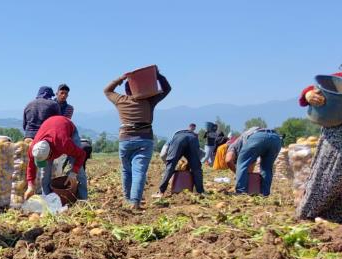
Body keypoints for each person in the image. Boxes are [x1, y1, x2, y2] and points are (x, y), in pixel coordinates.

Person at [104, 70, 172, 210]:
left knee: (126, 170)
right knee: (139, 172)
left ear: (127, 90)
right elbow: (167, 89)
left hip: (125, 140)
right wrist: (157, 75)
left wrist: (120, 78)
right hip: (144, 140)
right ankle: (135, 202)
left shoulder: (120, 100)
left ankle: (127, 199)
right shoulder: (149, 100)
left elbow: (107, 90)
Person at [296, 49, 342, 222]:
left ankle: (338, 218)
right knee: (328, 178)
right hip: (338, 137)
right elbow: (313, 89)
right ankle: (309, 215)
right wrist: (308, 95)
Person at [22, 115, 88, 201]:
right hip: (49, 125)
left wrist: (73, 172)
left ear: (50, 154)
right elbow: (31, 167)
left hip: (66, 126)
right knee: (44, 175)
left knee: (79, 170)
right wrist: (30, 186)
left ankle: (83, 199)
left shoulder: (63, 144)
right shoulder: (34, 148)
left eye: (45, 160)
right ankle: (47, 200)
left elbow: (81, 154)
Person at [226, 125, 282, 195]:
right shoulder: (248, 149)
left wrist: (237, 173)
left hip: (258, 136)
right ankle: (265, 193)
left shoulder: (233, 145)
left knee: (242, 163)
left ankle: (241, 192)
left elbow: (228, 160)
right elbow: (249, 171)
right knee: (266, 168)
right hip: (276, 138)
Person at [154, 126, 205, 197]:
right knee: (197, 168)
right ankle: (201, 192)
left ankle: (160, 192)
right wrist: (192, 165)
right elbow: (202, 154)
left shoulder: (173, 138)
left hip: (179, 140)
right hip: (193, 140)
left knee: (170, 166)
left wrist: (169, 165)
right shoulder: (193, 137)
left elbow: (162, 154)